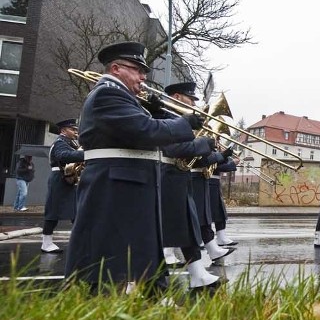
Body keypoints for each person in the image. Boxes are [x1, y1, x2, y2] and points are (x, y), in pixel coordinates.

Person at [64, 41, 203, 293]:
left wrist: (157, 111)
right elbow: (145, 131)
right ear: (116, 68)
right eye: (138, 70)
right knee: (111, 254)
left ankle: (152, 295)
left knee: (139, 251)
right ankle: (105, 302)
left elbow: (143, 129)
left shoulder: (122, 96)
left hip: (128, 184)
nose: (143, 77)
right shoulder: (108, 93)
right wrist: (185, 124)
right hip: (117, 185)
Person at [159, 81, 230, 290]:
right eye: (190, 99)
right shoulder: (165, 116)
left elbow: (193, 158)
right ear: (178, 97)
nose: (193, 103)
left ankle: (198, 274)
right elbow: (173, 149)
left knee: (187, 225)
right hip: (166, 173)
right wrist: (204, 145)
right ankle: (151, 279)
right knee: (167, 227)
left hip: (178, 174)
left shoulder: (179, 120)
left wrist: (216, 154)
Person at [40, 119, 85, 253]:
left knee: (75, 212)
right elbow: (63, 156)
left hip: (68, 180)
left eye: (76, 130)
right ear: (63, 130)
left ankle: (80, 241)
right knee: (53, 211)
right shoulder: (60, 142)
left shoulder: (69, 143)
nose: (75, 132)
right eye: (72, 129)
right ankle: (46, 243)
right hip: (59, 180)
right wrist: (85, 154)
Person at [209, 151, 239, 247]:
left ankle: (221, 237)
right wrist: (232, 163)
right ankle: (208, 240)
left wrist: (226, 156)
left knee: (220, 212)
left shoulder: (212, 150)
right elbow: (217, 166)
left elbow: (220, 163)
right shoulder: (206, 149)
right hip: (209, 182)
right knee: (209, 213)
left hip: (214, 182)